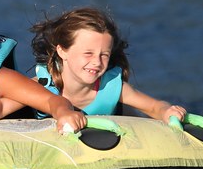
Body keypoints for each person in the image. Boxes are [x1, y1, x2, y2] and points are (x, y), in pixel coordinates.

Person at [29, 7, 187, 122]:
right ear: (62, 51)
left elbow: (154, 107)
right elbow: (4, 107)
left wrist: (167, 111)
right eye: (88, 53)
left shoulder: (111, 87)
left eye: (104, 55)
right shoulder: (40, 86)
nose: (97, 62)